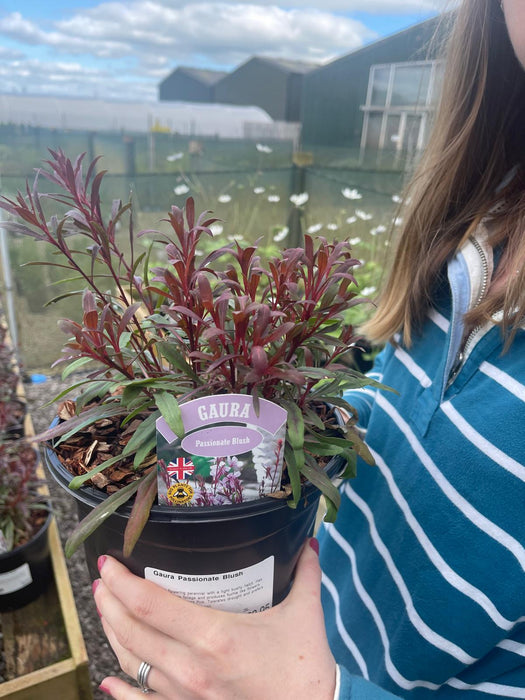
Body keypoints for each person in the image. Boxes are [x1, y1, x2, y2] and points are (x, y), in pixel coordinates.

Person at [92, 1, 525, 697]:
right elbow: (386, 418)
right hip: (313, 619)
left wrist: (314, 693)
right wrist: (256, 407)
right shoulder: (474, 225)